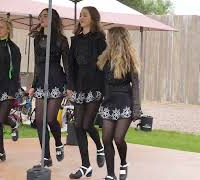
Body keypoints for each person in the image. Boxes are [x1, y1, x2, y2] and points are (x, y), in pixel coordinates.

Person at [97, 27, 141, 180]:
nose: (107, 39)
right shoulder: (105, 57)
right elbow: (101, 82)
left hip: (125, 103)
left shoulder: (130, 58)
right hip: (108, 102)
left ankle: (123, 163)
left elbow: (135, 85)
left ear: (116, 38)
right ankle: (110, 174)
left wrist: (137, 110)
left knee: (118, 139)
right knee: (106, 139)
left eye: (109, 37)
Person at [67, 6, 106, 179]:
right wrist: (70, 86)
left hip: (95, 86)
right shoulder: (74, 40)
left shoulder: (100, 39)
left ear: (93, 18)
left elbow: (105, 65)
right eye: (80, 15)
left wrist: (105, 89)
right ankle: (85, 166)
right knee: (77, 126)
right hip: (78, 86)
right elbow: (70, 66)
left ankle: (100, 146)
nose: (81, 17)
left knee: (87, 124)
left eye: (85, 15)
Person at [28, 8, 69, 167]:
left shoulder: (61, 40)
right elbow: (37, 64)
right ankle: (46, 157)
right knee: (39, 121)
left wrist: (69, 85)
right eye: (41, 16)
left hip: (57, 81)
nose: (42, 18)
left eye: (46, 16)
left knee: (51, 119)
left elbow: (66, 65)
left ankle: (58, 142)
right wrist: (33, 85)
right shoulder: (37, 39)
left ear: (53, 19)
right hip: (41, 82)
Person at [0, 18, 21, 162]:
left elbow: (15, 71)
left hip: (8, 89)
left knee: (1, 118)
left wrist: (12, 92)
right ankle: (1, 152)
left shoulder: (13, 48)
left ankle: (13, 123)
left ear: (8, 30)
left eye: (1, 27)